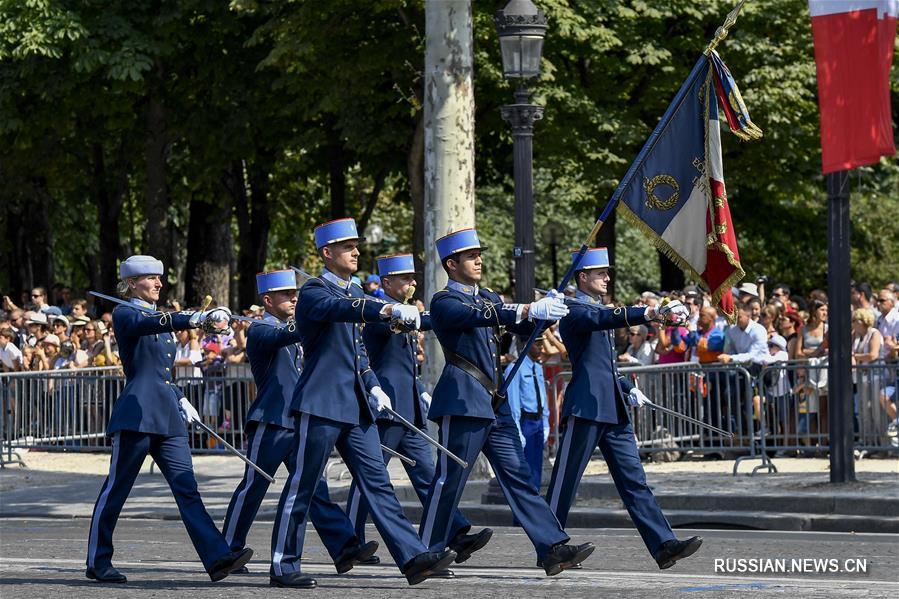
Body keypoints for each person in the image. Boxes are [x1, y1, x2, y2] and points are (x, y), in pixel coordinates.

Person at [269, 219, 456, 588]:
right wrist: (384, 310)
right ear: (326, 253)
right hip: (321, 403)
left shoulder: (352, 291)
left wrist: (372, 385)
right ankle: (283, 563)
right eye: (347, 247)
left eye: (356, 246)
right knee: (303, 486)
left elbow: (357, 354)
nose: (356, 252)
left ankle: (412, 556)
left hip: (356, 406)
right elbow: (344, 310)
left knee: (379, 483)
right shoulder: (315, 291)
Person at [420, 228, 594, 576]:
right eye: (471, 256)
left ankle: (551, 548)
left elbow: (518, 330)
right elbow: (476, 317)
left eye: (479, 254)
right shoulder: (444, 301)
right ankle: (426, 551)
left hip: (494, 404)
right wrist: (526, 307)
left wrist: (542, 315)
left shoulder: (488, 297)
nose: (480, 260)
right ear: (452, 264)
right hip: (464, 401)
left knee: (518, 476)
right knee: (450, 479)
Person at [85, 255, 252, 584]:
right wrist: (191, 318)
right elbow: (149, 327)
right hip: (137, 415)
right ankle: (97, 560)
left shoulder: (160, 321)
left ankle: (217, 557)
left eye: (159, 278)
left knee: (188, 489)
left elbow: (161, 374)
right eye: (150, 278)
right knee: (116, 490)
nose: (159, 283)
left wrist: (180, 397)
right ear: (132, 283)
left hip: (167, 416)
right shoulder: (126, 313)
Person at [545, 247, 701, 571]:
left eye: (607, 272)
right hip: (586, 406)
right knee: (565, 481)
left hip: (612, 407)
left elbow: (607, 366)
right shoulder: (575, 309)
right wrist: (647, 312)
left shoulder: (599, 308)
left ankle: (663, 544)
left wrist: (629, 388)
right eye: (600, 273)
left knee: (635, 481)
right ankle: (550, 546)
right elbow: (603, 319)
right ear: (583, 277)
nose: (607, 277)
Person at [222, 269, 380, 585]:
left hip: (298, 418)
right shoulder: (260, 329)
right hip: (271, 421)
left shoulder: (296, 329)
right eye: (286, 295)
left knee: (314, 489)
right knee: (253, 486)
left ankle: (344, 546)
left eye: (296, 294)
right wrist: (312, 319)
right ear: (267, 300)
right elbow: (283, 336)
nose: (294, 298)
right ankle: (225, 549)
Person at [345, 254, 482, 575]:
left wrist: (419, 387)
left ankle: (454, 533)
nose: (412, 283)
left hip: (409, 410)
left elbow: (408, 358)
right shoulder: (380, 312)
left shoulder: (409, 312)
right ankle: (351, 540)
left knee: (428, 475)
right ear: (387, 282)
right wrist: (402, 316)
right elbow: (382, 334)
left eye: (413, 278)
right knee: (370, 478)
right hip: (385, 411)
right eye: (404, 278)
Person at [503, 338, 550, 491]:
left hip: (538, 421)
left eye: (542, 343)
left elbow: (542, 396)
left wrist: (546, 421)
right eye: (537, 343)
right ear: (525, 345)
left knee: (537, 466)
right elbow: (513, 401)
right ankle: (526, 502)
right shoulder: (515, 368)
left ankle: (534, 498)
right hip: (525, 421)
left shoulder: (537, 367)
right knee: (525, 467)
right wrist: (516, 428)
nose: (541, 347)